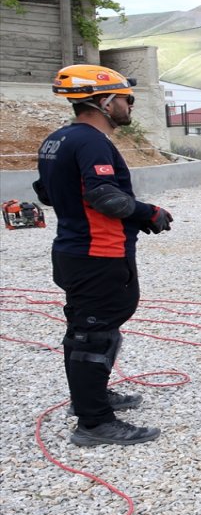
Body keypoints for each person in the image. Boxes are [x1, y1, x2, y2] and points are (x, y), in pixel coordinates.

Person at [36, 64, 172, 446]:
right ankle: (94, 423)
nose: (130, 106)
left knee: (87, 330)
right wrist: (150, 213)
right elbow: (102, 196)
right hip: (98, 253)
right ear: (105, 100)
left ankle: (91, 398)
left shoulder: (58, 139)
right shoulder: (92, 142)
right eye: (127, 99)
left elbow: (48, 192)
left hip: (74, 249)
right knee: (93, 336)